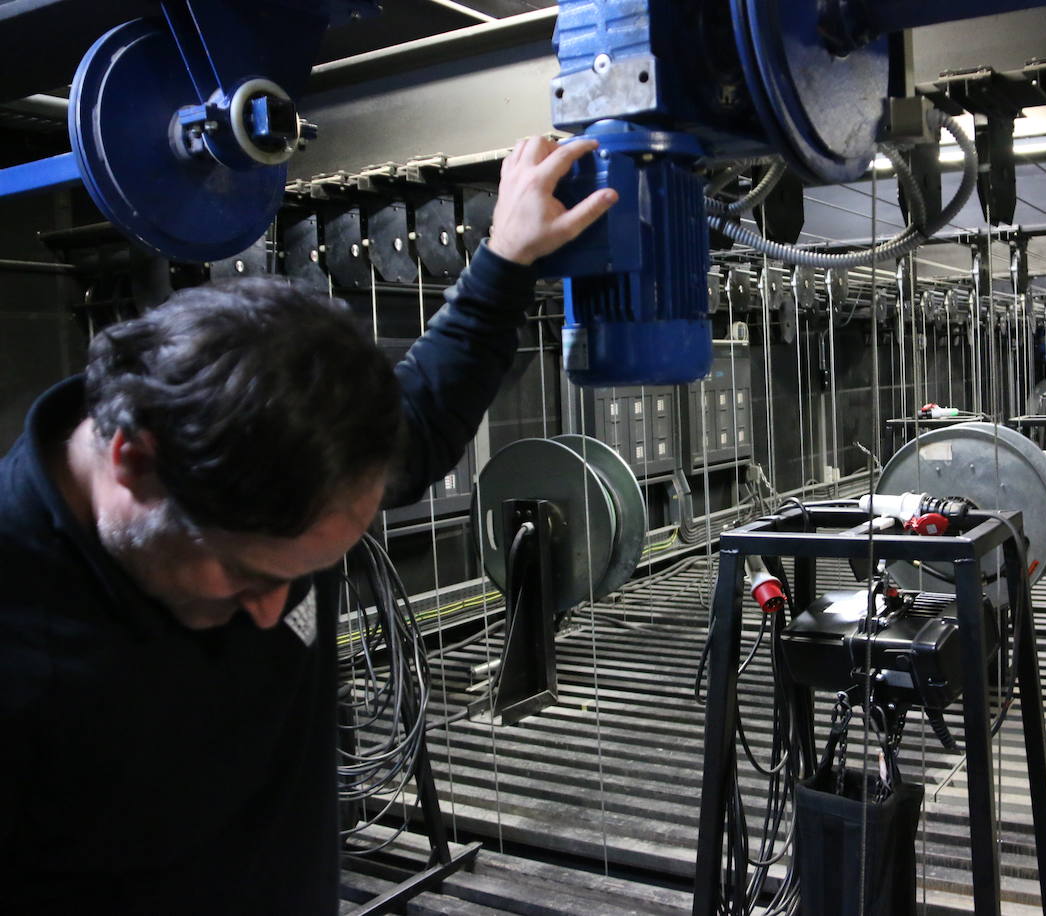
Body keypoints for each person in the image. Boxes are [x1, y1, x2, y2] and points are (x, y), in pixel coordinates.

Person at [0, 136, 617, 913]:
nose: (275, 612)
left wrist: (506, 256)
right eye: (249, 575)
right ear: (134, 461)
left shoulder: (292, 474)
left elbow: (421, 419)